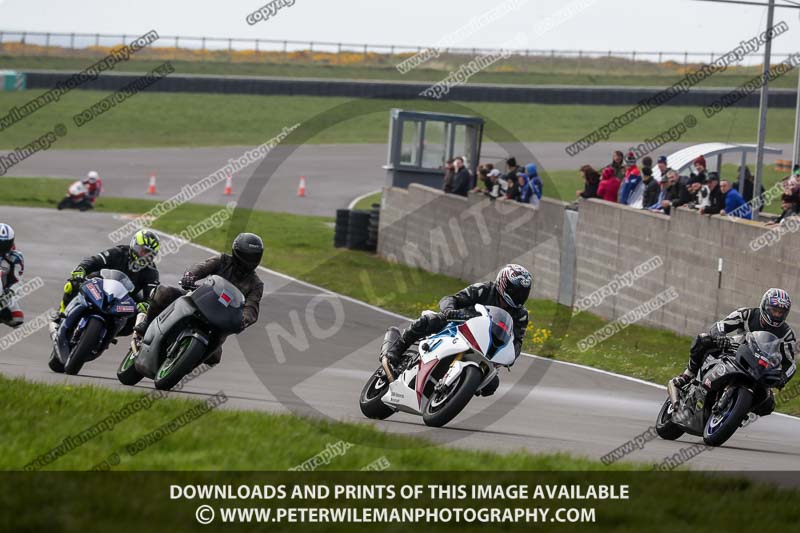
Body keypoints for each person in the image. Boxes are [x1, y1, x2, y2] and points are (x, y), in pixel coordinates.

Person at [381, 264, 532, 397]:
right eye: (515, 291)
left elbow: (517, 341)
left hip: (485, 347)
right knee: (429, 321)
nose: (518, 297)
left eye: (522, 294)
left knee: (491, 385)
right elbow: (451, 299)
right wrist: (449, 311)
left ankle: (456, 389)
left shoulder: (521, 315)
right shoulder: (484, 290)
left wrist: (509, 357)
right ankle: (397, 349)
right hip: (460, 325)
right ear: (503, 284)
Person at [131, 233, 265, 366]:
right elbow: (202, 267)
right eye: (248, 255)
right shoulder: (223, 260)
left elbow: (252, 307)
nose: (250, 260)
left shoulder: (256, 284)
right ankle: (146, 325)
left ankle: (183, 367)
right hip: (200, 298)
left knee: (215, 356)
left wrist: (243, 320)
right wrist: (190, 276)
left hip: (221, 319)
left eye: (254, 256)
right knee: (163, 293)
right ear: (237, 252)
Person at [670, 289, 796, 418]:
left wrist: (783, 378)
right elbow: (720, 325)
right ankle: (687, 375)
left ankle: (740, 413)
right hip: (736, 351)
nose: (777, 315)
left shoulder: (787, 334)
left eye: (781, 312)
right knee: (704, 339)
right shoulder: (747, 314)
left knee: (768, 404)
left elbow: (791, 364)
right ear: (764, 306)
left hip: (760, 367)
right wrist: (720, 336)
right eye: (774, 310)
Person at [53, 229, 161, 325]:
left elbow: (152, 294)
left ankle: (122, 336)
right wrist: (81, 269)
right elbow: (95, 260)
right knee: (73, 284)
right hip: (100, 287)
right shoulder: (118, 252)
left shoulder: (151, 271)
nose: (145, 256)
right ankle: (61, 313)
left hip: (123, 300)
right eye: (143, 251)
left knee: (145, 314)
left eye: (149, 254)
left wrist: (147, 304)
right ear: (134, 245)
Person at [0, 223, 24, 328]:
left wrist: (10, 292)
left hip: (3, 294)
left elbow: (18, 280)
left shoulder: (15, 257)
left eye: (4, 244)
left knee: (17, 318)